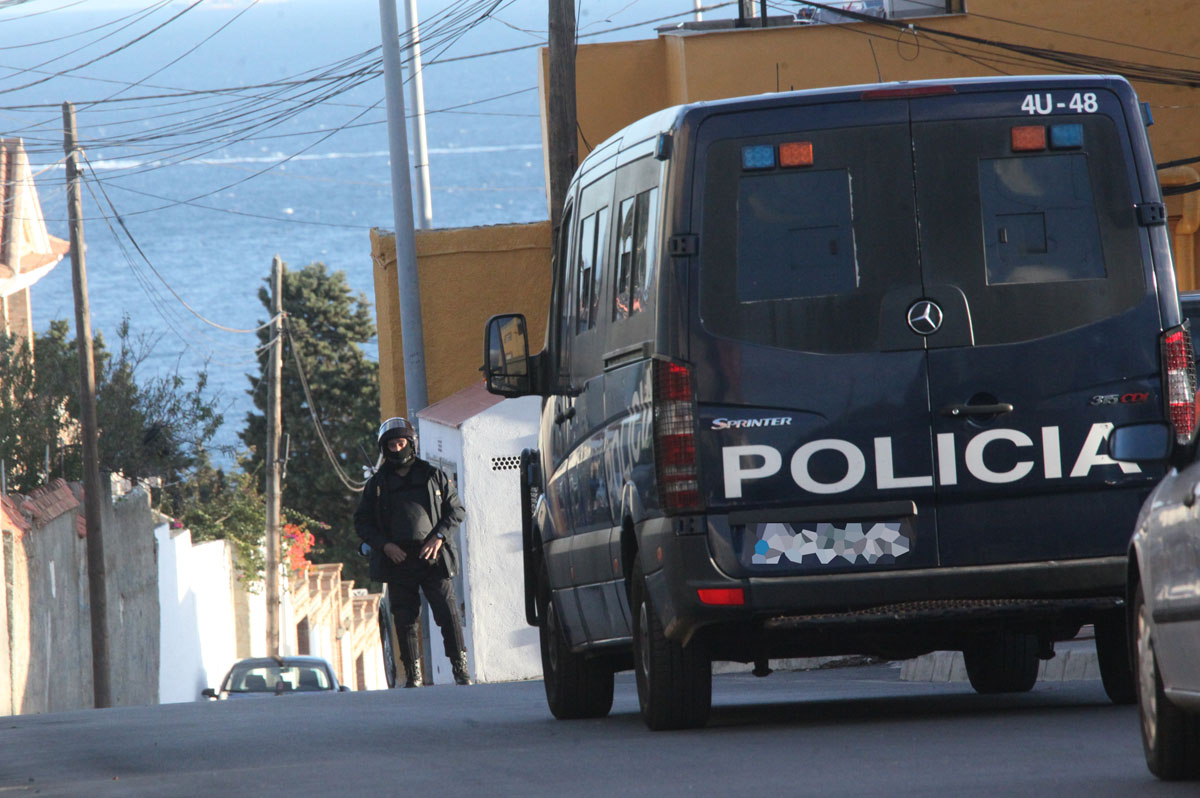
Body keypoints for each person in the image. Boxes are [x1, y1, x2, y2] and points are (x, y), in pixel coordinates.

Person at [354, 417, 470, 687]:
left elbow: (457, 511)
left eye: (401, 443)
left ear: (411, 443)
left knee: (448, 614)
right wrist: (385, 545)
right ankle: (413, 675)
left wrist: (439, 537)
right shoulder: (377, 485)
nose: (397, 449)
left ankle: (460, 669)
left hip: (432, 558)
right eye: (391, 445)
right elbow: (362, 522)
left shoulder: (432, 475)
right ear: (384, 448)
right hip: (398, 561)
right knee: (405, 619)